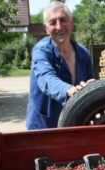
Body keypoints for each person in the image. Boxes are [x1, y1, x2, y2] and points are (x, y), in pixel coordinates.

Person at [26, 1, 95, 130]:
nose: (59, 26)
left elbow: (89, 82)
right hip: (44, 126)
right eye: (53, 22)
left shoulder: (83, 53)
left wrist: (91, 86)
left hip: (74, 122)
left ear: (72, 23)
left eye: (63, 20)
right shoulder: (41, 50)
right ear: (46, 28)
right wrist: (69, 90)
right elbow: (46, 78)